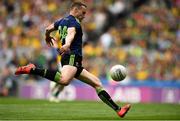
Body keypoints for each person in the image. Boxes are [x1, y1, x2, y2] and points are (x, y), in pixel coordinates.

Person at [15, 2, 131, 118]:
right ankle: (32, 69)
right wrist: (68, 44)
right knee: (64, 80)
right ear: (76, 10)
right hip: (71, 56)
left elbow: (47, 29)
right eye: (83, 12)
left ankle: (118, 110)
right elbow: (71, 32)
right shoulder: (74, 23)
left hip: (74, 60)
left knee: (97, 83)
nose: (84, 15)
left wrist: (47, 36)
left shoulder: (61, 21)